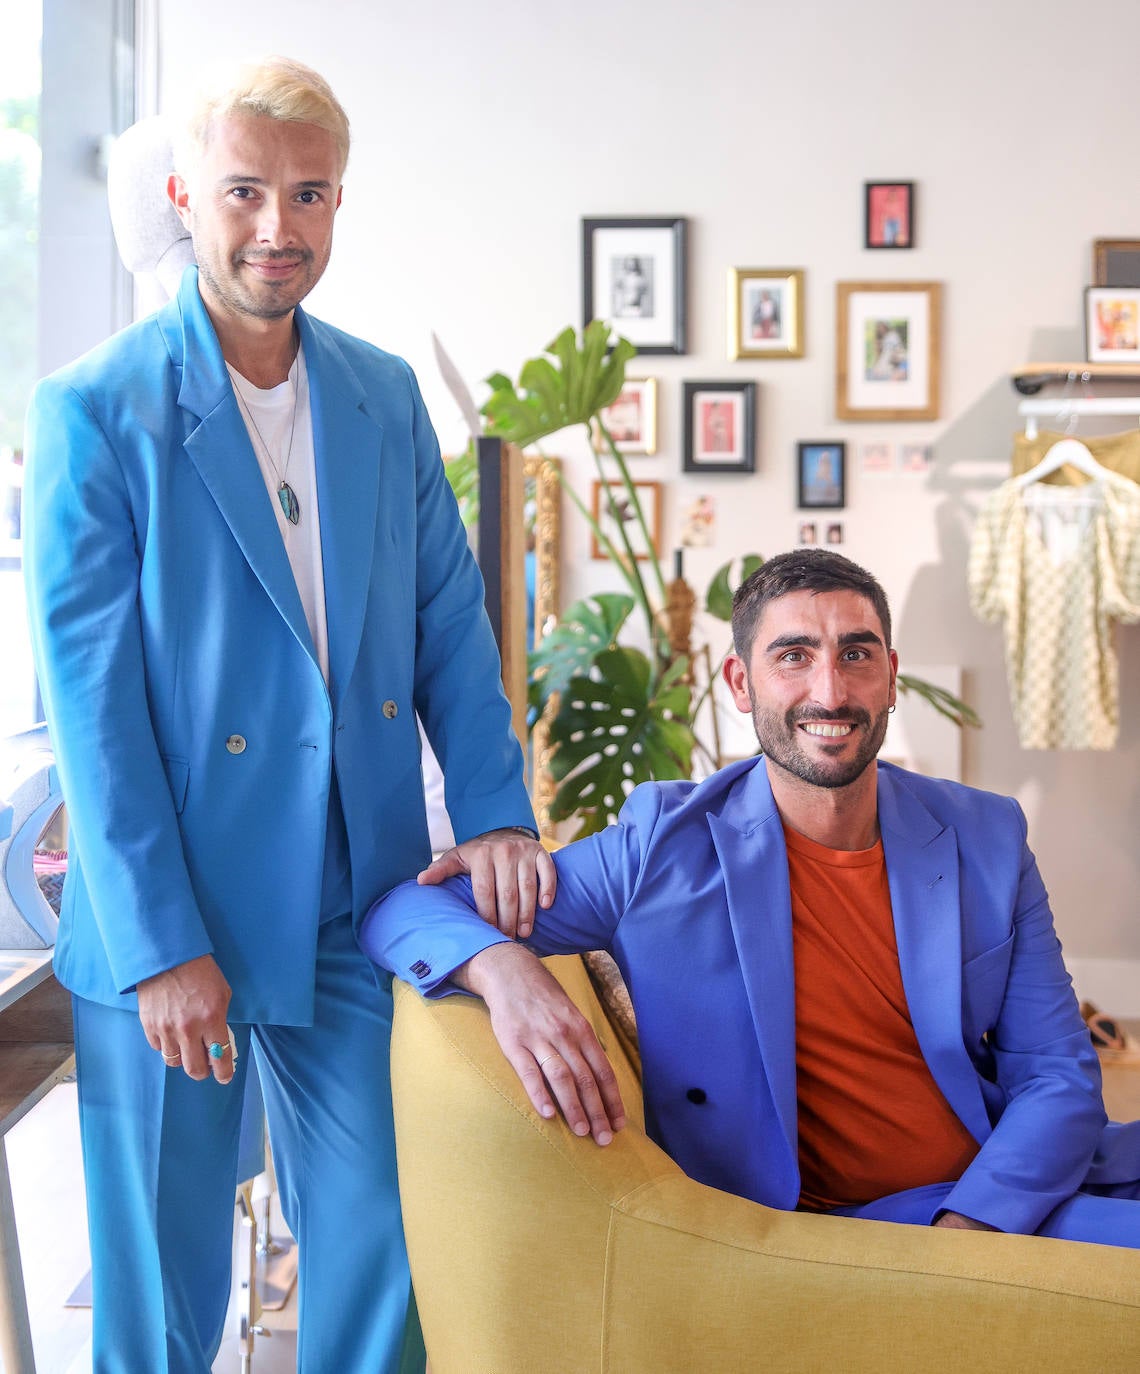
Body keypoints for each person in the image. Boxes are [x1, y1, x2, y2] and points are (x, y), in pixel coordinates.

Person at [23, 55, 552, 1374]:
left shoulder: (380, 394)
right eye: (247, 191)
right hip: (174, 915)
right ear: (185, 194)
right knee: (159, 1299)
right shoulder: (96, 410)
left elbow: (447, 621)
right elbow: (94, 709)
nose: (278, 227)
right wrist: (157, 947)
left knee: (385, 1240)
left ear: (336, 204)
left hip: (346, 901)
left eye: (308, 195)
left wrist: (491, 807)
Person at [363, 549, 1140, 1248]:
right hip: (861, 1220)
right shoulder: (659, 847)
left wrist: (975, 1221)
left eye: (856, 654)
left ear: (891, 676)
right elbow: (403, 909)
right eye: (793, 657)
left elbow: (1056, 1071)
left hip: (1015, 1183)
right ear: (741, 682)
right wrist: (503, 970)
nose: (829, 690)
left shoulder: (985, 835)